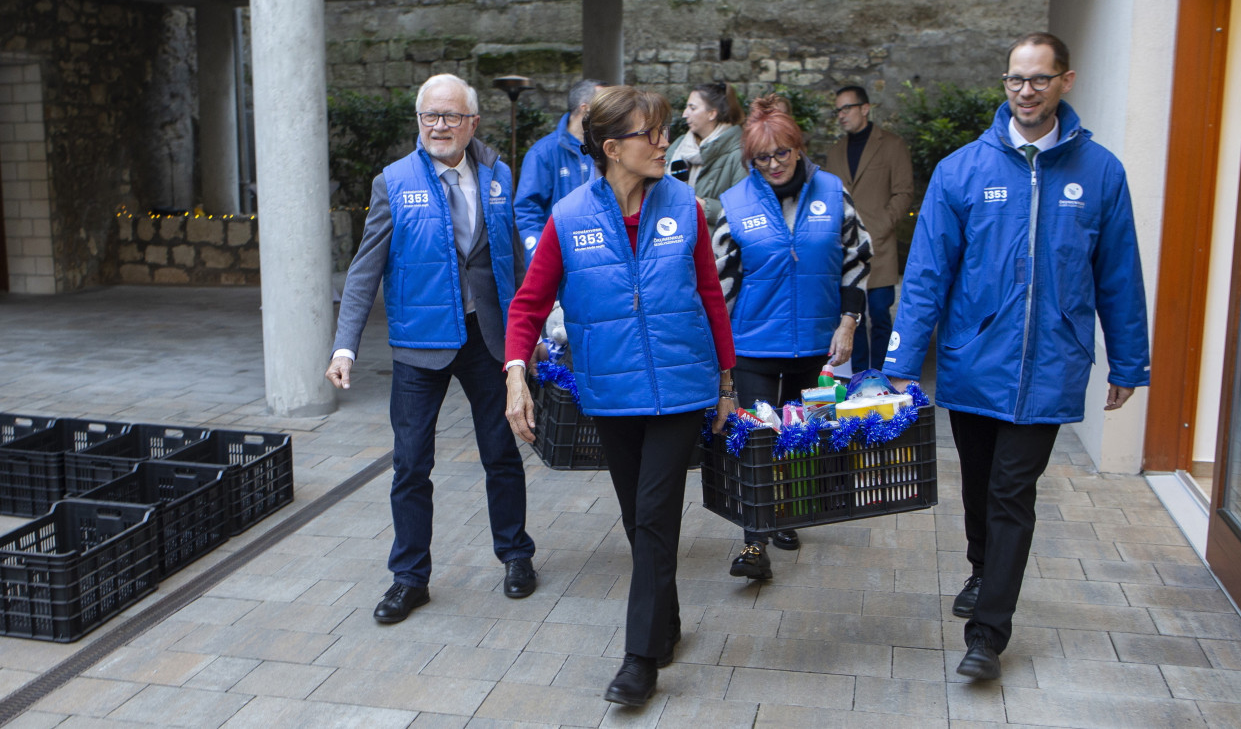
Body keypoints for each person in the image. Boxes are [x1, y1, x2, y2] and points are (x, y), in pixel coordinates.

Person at [883, 33, 1150, 681]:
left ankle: (988, 634)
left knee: (1011, 494)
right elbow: (926, 276)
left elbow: (1119, 274)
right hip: (973, 364)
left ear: (1066, 81)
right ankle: (981, 567)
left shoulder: (1101, 173)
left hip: (1051, 367)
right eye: (1015, 80)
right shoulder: (962, 170)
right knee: (979, 488)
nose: (1025, 90)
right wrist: (900, 360)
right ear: (1005, 85)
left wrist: (1128, 363)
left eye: (1038, 79)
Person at [503, 85, 737, 707]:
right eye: (651, 134)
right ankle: (667, 622)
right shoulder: (569, 215)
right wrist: (515, 373)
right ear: (611, 148)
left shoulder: (684, 204)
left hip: (681, 388)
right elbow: (528, 303)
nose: (665, 143)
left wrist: (726, 384)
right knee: (640, 522)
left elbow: (711, 297)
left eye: (666, 131)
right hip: (611, 393)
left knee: (656, 516)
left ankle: (640, 660)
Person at [325, 73, 538, 626]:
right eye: (430, 116)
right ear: (419, 121)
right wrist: (345, 346)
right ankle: (409, 578)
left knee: (502, 452)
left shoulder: (496, 174)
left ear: (472, 122)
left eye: (450, 117)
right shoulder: (394, 182)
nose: (439, 126)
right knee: (411, 463)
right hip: (421, 344)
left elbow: (512, 260)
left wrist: (526, 337)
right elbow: (364, 267)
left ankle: (515, 555)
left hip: (486, 336)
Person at [713, 94, 872, 580]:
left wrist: (848, 323)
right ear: (750, 160)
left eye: (782, 152)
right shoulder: (735, 204)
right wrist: (718, 355)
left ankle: (787, 513)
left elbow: (858, 258)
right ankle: (754, 544)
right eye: (762, 157)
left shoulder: (831, 190)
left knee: (805, 438)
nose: (774, 164)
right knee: (759, 440)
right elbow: (720, 282)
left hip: (817, 348)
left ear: (798, 148)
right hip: (755, 346)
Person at [823, 85, 914, 374]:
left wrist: (878, 227)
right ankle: (860, 377)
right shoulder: (835, 152)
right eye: (838, 110)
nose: (841, 115)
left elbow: (903, 193)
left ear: (865, 108)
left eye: (847, 108)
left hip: (881, 247)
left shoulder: (891, 145)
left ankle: (885, 375)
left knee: (880, 315)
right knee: (854, 317)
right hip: (848, 252)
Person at [515, 78, 605, 265]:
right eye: (605, 104)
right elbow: (527, 211)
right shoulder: (543, 153)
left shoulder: (609, 149)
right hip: (559, 261)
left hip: (601, 259)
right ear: (585, 108)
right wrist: (542, 255)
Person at [664, 81, 747, 231]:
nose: (684, 114)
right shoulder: (679, 145)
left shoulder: (739, 153)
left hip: (716, 248)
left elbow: (746, 211)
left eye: (692, 108)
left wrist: (705, 207)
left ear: (712, 113)